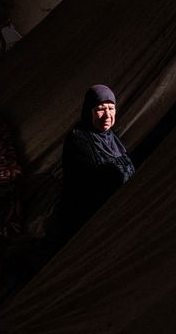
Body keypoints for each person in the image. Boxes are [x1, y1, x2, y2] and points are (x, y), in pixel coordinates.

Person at [56, 84, 135, 240]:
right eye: (100, 109)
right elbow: (93, 184)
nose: (107, 116)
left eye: (111, 109)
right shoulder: (78, 140)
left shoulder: (111, 138)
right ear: (88, 111)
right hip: (90, 217)